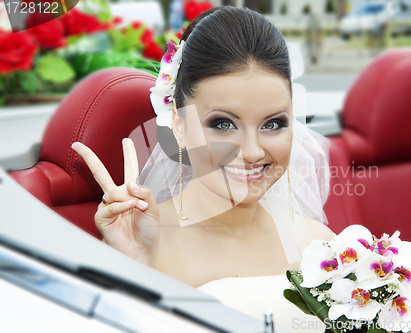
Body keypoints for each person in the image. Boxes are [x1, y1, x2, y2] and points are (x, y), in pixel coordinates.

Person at [72, 6, 333, 332]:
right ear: (179, 126)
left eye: (273, 124)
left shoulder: (321, 246)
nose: (252, 152)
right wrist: (129, 268)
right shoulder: (141, 242)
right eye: (223, 124)